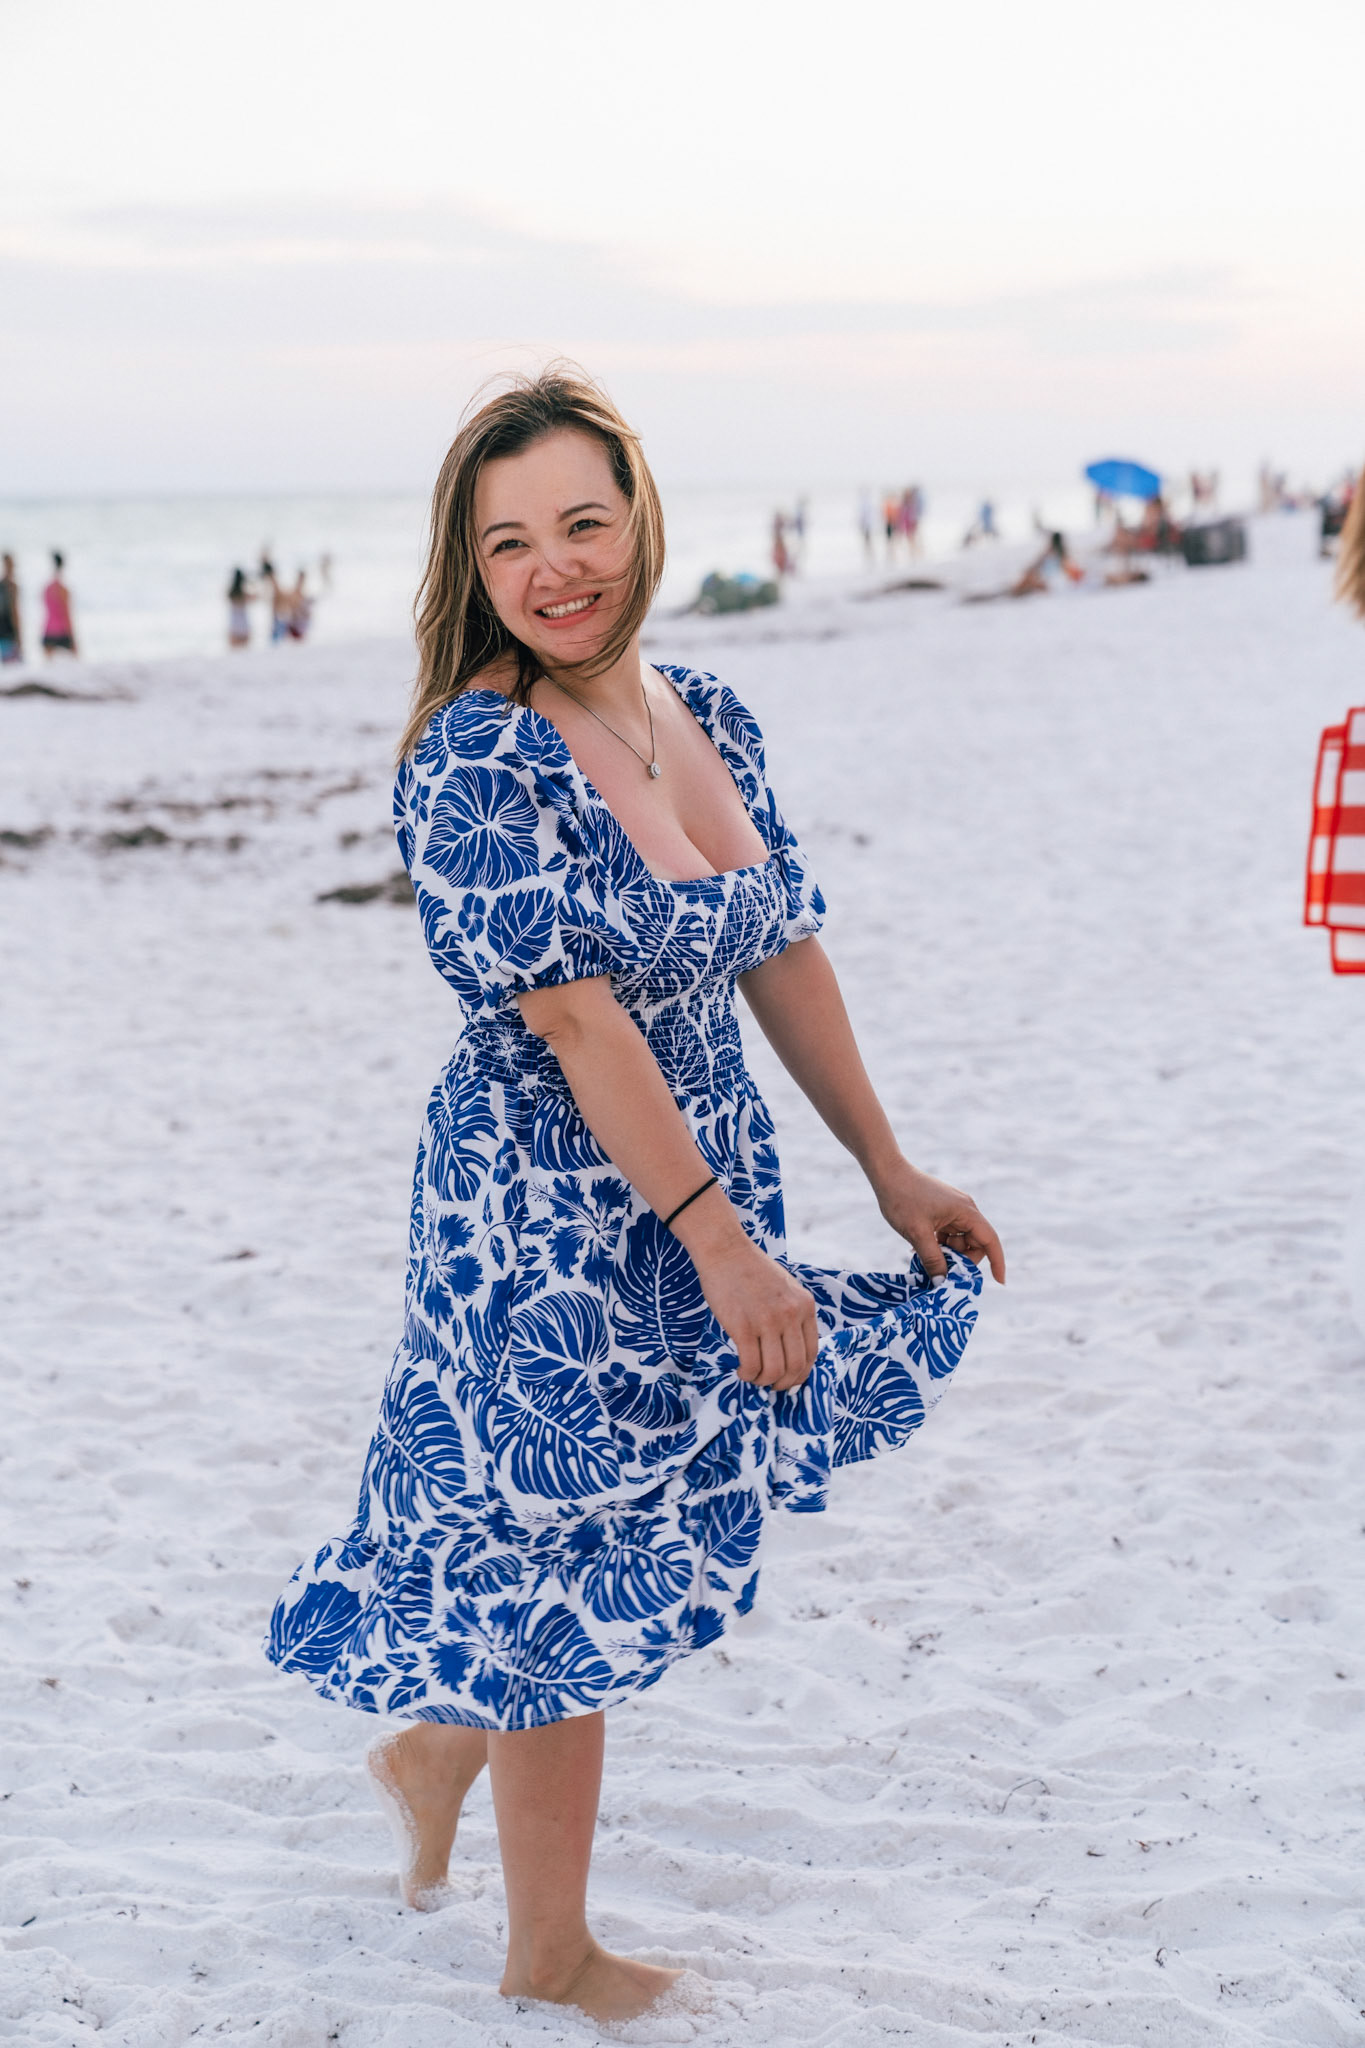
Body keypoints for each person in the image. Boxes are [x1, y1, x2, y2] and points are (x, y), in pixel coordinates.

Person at [264, 367, 1003, 2026]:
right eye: (509, 542)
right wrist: (722, 1246)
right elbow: (582, 1024)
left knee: (616, 1520)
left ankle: (434, 1756)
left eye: (583, 523)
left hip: (694, 1169)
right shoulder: (474, 760)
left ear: (641, 519)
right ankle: (548, 1953)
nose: (554, 568)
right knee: (559, 1548)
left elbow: (782, 949)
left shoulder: (707, 710)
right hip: (544, 1205)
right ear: (470, 566)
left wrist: (887, 1167)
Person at [41, 553, 76, 657]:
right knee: (76, 660)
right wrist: (73, 636)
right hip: (62, 630)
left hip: (48, 629)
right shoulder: (63, 589)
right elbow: (66, 613)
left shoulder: (47, 588)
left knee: (47, 663)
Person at [0, 554, 22, 663]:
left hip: (3, 632)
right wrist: (19, 637)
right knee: (13, 668)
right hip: (9, 633)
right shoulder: (11, 586)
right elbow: (14, 613)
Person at [226, 568, 255, 649]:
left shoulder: (231, 593)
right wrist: (251, 583)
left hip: (234, 625)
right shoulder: (244, 594)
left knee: (234, 652)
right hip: (244, 625)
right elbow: (256, 597)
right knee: (245, 651)